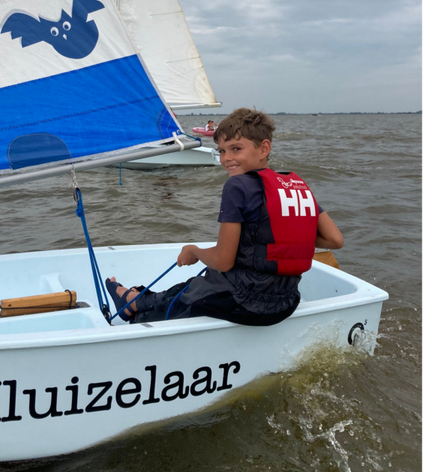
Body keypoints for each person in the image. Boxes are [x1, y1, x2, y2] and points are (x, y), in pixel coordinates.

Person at [106, 108, 343, 325]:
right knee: (194, 286)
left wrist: (194, 251)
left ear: (264, 149)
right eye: (221, 151)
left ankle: (132, 303)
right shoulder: (293, 186)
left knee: (172, 302)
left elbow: (223, 261)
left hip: (244, 303)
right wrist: (281, 238)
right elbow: (335, 240)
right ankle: (135, 299)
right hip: (285, 302)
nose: (226, 158)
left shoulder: (237, 185)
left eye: (236, 149)